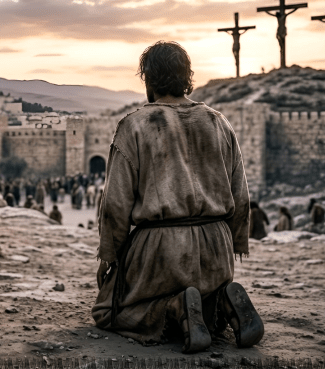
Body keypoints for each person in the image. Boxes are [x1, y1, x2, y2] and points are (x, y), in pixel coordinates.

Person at [92, 41, 262, 354]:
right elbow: (240, 195)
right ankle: (222, 301)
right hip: (217, 248)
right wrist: (237, 243)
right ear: (187, 78)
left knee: (109, 311)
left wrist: (109, 253)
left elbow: (115, 204)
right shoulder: (218, 122)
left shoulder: (134, 126)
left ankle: (174, 307)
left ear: (149, 80)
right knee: (205, 296)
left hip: (161, 250)